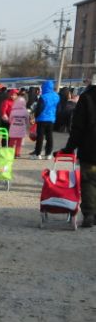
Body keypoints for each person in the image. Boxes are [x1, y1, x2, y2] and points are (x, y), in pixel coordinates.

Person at [63, 77, 96, 227]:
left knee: (89, 181)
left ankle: (89, 214)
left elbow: (77, 127)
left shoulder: (86, 97)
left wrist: (69, 148)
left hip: (90, 148)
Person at [31, 80, 60, 159]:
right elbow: (58, 108)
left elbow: (39, 108)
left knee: (40, 137)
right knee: (49, 137)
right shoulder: (56, 96)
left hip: (42, 119)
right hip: (51, 119)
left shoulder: (43, 97)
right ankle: (48, 154)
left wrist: (36, 117)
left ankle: (38, 154)